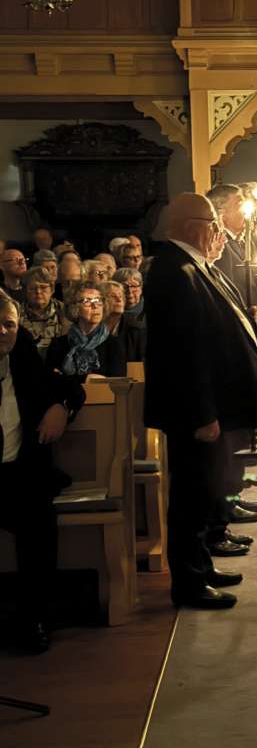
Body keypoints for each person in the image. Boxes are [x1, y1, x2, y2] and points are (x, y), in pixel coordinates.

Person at [143, 193, 257, 610]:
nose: (218, 231)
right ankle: (190, 583)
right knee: (191, 495)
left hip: (209, 406)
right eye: (212, 223)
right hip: (194, 412)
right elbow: (185, 353)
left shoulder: (194, 267)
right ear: (187, 225)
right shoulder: (176, 272)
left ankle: (201, 565)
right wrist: (202, 413)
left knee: (203, 491)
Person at [0, 295, 85, 652]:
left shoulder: (22, 357)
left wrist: (60, 407)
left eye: (9, 324)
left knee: (38, 520)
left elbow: (71, 387)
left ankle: (32, 619)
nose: (3, 331)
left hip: (20, 473)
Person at [46, 281, 125, 380]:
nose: (95, 306)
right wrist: (86, 379)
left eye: (98, 300)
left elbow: (118, 384)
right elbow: (51, 382)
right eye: (87, 301)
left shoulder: (113, 344)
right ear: (74, 307)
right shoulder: (59, 345)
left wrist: (66, 378)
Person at [19, 267, 71, 356]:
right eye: (32, 288)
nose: (38, 292)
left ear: (52, 289)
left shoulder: (65, 312)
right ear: (25, 291)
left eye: (43, 287)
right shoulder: (15, 312)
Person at [104, 279, 146, 363]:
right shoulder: (91, 327)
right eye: (112, 296)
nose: (119, 300)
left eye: (120, 296)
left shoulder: (136, 329)